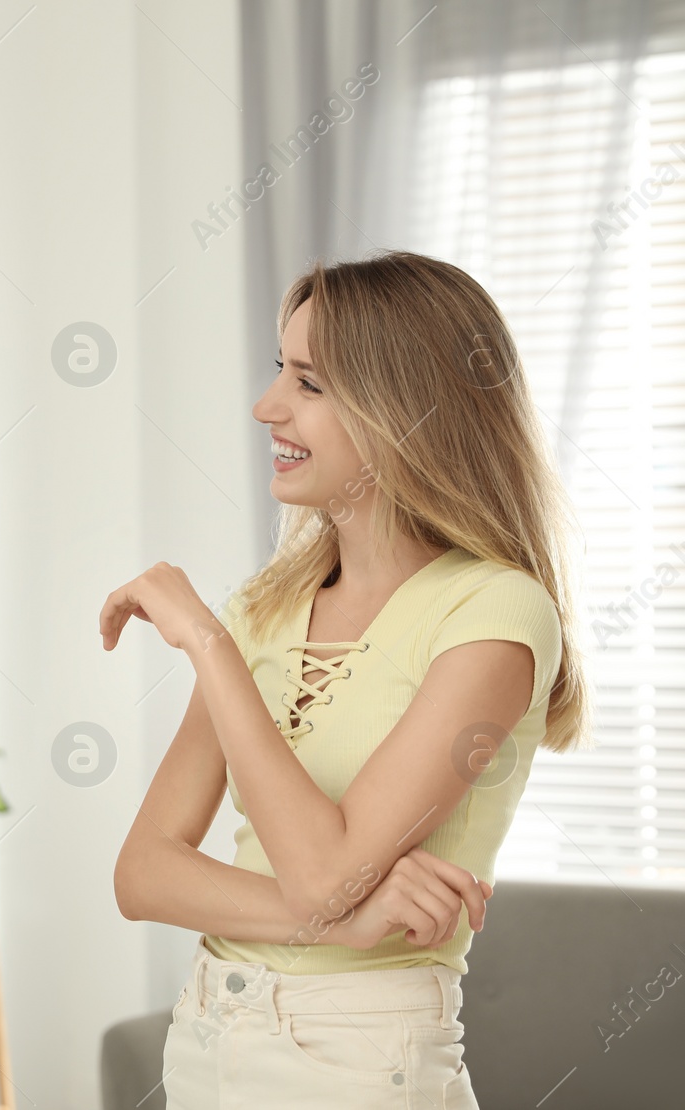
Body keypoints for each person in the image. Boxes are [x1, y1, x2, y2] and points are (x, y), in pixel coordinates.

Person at [101, 250, 591, 1108]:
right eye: (278, 371)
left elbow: (327, 875)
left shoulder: (495, 614)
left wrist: (206, 642)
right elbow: (143, 874)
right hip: (210, 1037)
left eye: (310, 383)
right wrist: (347, 922)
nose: (267, 406)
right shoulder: (269, 605)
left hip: (363, 1057)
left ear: (403, 410)